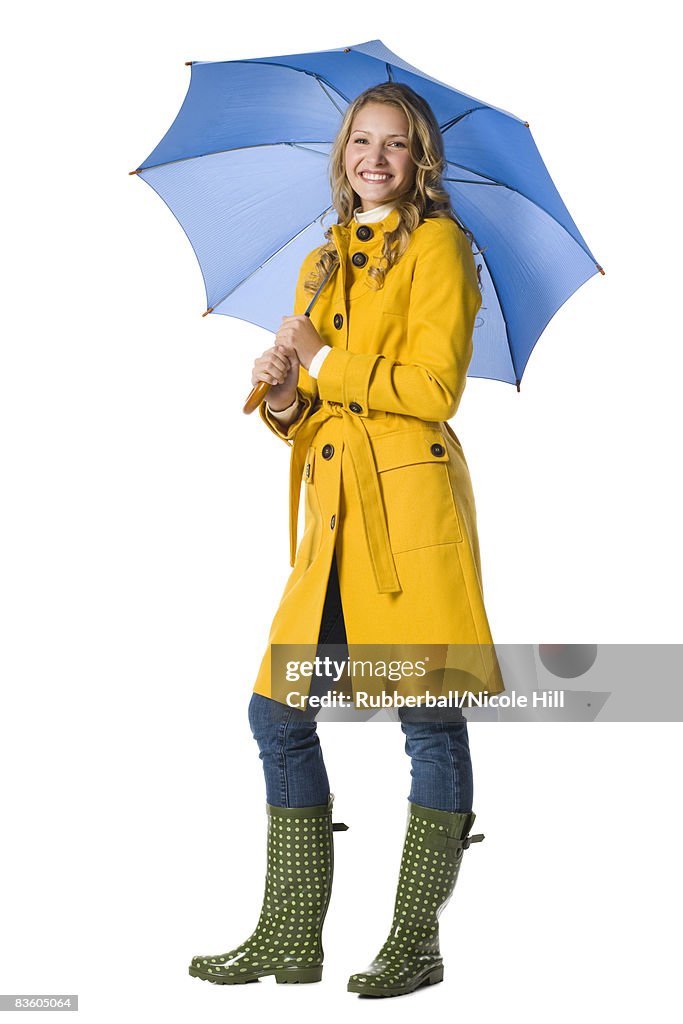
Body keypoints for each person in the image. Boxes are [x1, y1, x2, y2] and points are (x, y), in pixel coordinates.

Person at [189, 82, 504, 998]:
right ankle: (289, 938)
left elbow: (433, 388)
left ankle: (414, 943)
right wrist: (284, 396)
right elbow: (316, 415)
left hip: (406, 519)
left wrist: (328, 360)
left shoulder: (443, 247)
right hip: (332, 526)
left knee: (426, 719)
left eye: (395, 145)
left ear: (420, 162)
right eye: (360, 141)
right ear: (340, 155)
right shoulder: (323, 263)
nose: (375, 157)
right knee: (277, 714)